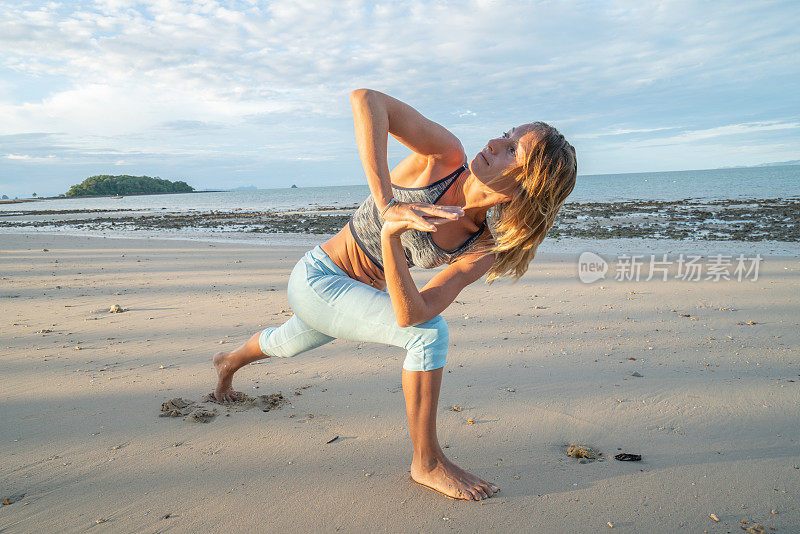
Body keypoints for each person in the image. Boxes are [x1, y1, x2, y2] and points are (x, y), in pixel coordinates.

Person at [212, 89, 577, 501]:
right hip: (318, 277)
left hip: (354, 299)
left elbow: (413, 311)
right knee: (430, 337)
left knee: (285, 343)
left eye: (512, 149)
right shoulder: (444, 158)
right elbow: (366, 100)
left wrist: (391, 236)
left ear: (529, 184)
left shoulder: (482, 246)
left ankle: (227, 362)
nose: (493, 143)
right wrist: (388, 207)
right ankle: (428, 462)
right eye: (504, 134)